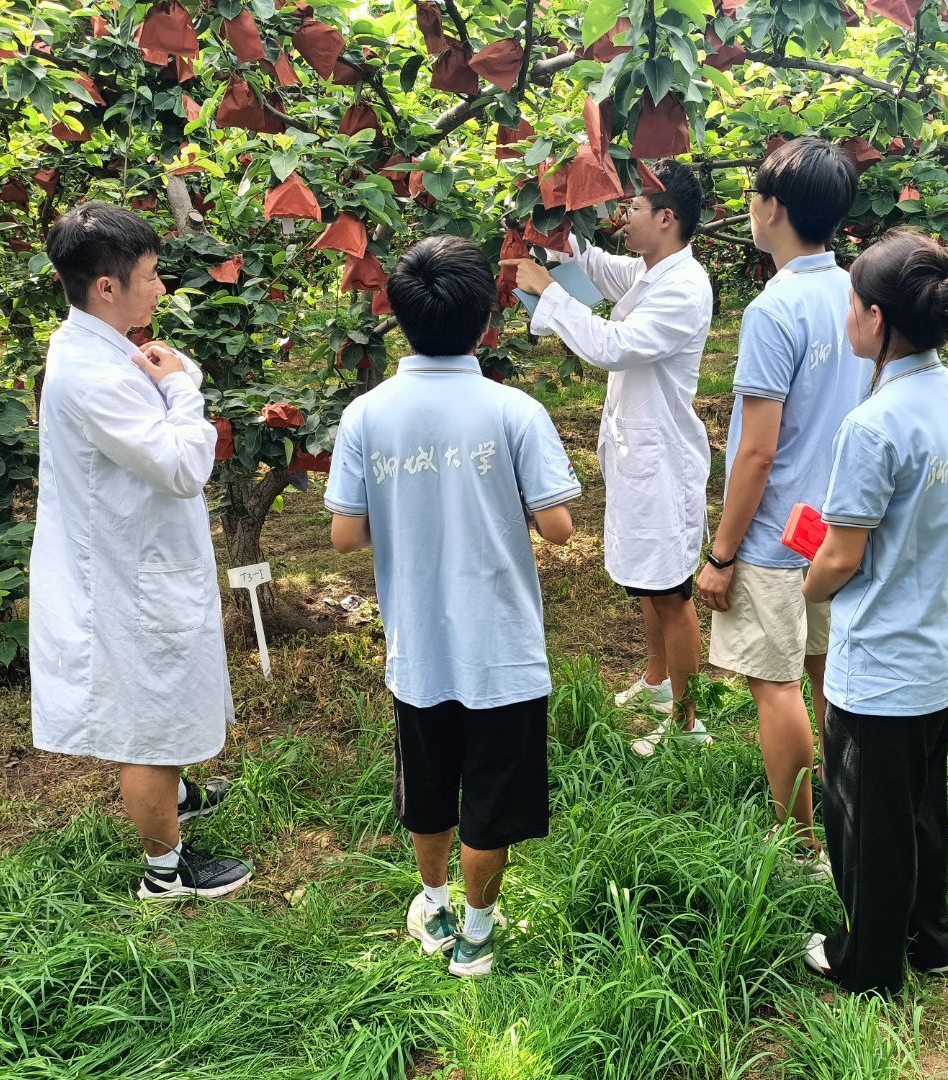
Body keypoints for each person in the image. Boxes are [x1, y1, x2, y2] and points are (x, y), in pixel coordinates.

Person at [325, 235, 580, 978]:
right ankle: (477, 932)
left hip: (419, 646)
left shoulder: (366, 415)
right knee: (491, 795)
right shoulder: (515, 411)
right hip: (502, 648)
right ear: (486, 321)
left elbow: (343, 534)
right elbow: (559, 526)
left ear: (397, 315)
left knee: (430, 787)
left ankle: (433, 903)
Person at [31, 201, 251, 900]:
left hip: (141, 560)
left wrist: (175, 379)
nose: (160, 288)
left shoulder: (99, 347)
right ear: (107, 287)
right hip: (129, 578)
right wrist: (182, 388)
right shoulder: (93, 374)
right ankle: (166, 871)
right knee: (149, 720)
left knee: (167, 695)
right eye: (151, 276)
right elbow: (184, 466)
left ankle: (175, 797)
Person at [799, 229, 948, 996]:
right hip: (946, 651)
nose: (847, 316)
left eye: (853, 304)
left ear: (877, 319)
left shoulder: (873, 425)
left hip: (883, 664)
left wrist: (807, 585)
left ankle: (869, 966)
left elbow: (840, 558)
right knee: (918, 808)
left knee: (865, 826)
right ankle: (928, 939)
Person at [694, 138, 865, 870]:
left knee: (775, 684)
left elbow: (757, 452)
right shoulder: (856, 293)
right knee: (828, 672)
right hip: (835, 524)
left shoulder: (774, 310)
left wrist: (721, 553)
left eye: (754, 196)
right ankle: (848, 814)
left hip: (775, 534)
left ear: (772, 209)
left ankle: (799, 847)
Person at [501, 161, 712, 754]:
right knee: (647, 583)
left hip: (664, 464)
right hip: (639, 457)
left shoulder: (683, 288)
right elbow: (596, 264)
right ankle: (657, 681)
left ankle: (687, 725)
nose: (623, 216)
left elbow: (613, 346)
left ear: (666, 218)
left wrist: (549, 292)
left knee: (671, 592)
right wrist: (553, 227)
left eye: (634, 207)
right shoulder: (650, 271)